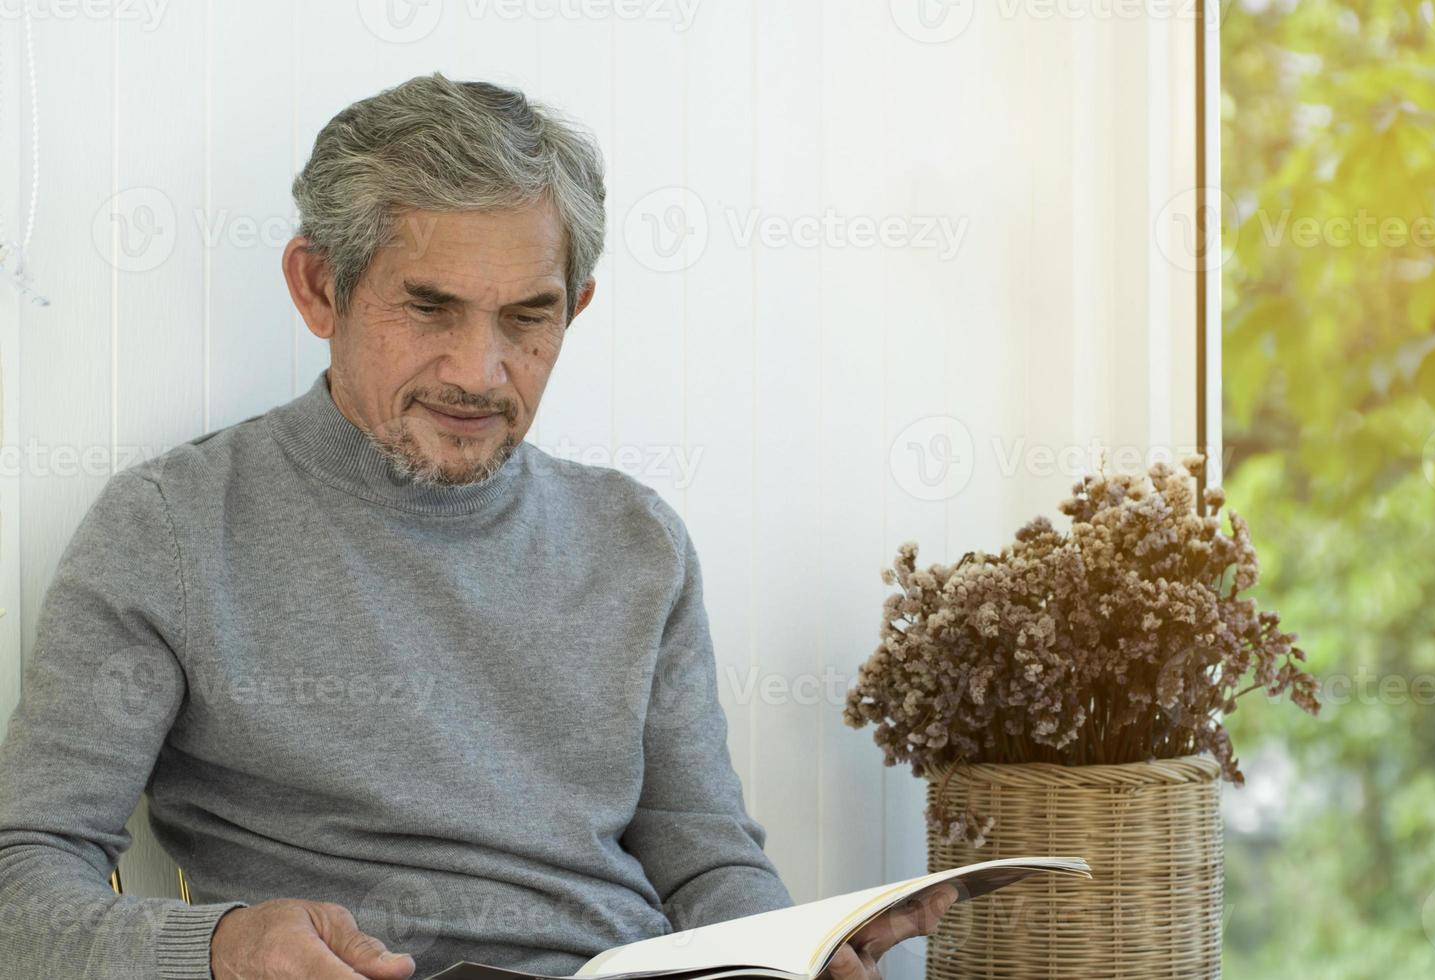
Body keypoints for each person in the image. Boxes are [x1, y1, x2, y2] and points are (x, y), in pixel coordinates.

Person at [0, 72, 953, 979]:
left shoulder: (637, 541)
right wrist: (219, 951)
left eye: (527, 319)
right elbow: (20, 880)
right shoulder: (170, 528)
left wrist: (796, 941)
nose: (481, 371)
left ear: (574, 309)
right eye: (429, 307)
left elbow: (705, 864)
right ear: (317, 288)